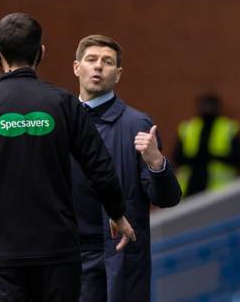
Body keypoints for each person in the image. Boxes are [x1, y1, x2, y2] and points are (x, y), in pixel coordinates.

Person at [0, 13, 136, 301]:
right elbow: (99, 165)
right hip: (58, 257)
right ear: (40, 52)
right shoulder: (64, 104)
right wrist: (117, 212)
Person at [71, 35, 181, 302]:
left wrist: (156, 162)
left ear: (118, 75)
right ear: (77, 68)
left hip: (120, 257)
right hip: (70, 255)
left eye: (107, 62)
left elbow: (167, 198)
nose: (98, 67)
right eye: (91, 60)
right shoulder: (61, 121)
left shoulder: (137, 124)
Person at [173, 93, 240, 197]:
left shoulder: (229, 127)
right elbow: (177, 158)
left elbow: (238, 158)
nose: (207, 109)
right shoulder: (188, 128)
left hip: (220, 190)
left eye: (209, 106)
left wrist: (212, 156)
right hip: (190, 188)